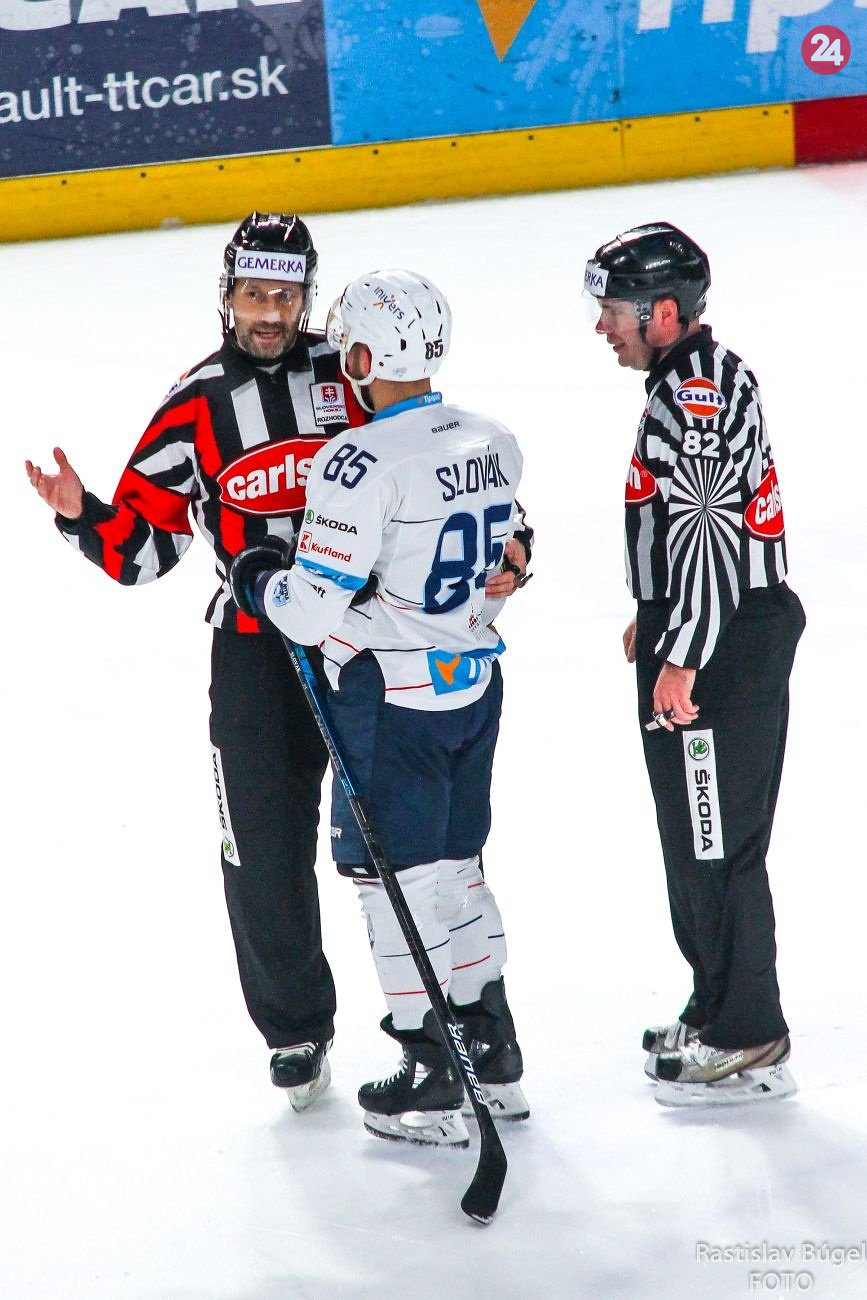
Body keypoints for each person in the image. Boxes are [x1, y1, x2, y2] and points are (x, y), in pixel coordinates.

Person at [24, 212, 373, 1111]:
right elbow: (145, 551)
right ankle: (296, 1028)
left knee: (398, 839)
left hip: (364, 641)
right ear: (228, 296)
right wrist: (81, 513)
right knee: (259, 848)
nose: (271, 312)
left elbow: (426, 456)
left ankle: (435, 1018)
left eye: (286, 295)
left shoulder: (352, 374)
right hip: (254, 656)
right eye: (255, 294)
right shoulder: (194, 404)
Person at [228, 268, 531, 1146]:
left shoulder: (358, 461)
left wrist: (258, 578)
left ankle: (431, 1072)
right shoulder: (493, 439)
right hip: (473, 683)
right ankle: (491, 1051)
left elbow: (308, 610)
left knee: (390, 884)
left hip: (391, 699)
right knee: (458, 869)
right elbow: (504, 552)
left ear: (362, 358)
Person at [584, 222, 805, 1106]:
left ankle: (749, 1032)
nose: (602, 326)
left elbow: (712, 535)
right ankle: (714, 1002)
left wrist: (681, 653)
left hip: (724, 646)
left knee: (718, 842)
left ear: (663, 314)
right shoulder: (683, 379)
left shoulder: (696, 395)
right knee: (691, 838)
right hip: (703, 629)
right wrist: (655, 613)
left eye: (614, 311)